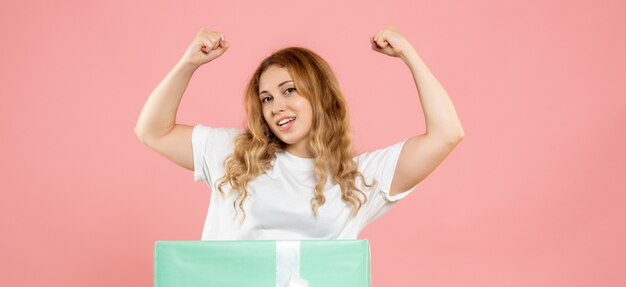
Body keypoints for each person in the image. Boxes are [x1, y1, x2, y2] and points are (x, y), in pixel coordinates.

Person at [134, 26, 465, 240]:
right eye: (266, 98)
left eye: (289, 90)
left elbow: (446, 134)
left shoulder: (357, 179)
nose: (276, 106)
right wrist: (188, 64)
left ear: (319, 95)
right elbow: (153, 131)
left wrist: (409, 54)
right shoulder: (233, 154)